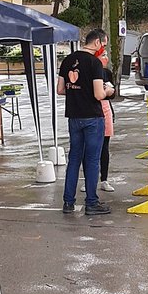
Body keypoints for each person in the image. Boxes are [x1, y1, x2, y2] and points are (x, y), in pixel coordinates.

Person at [57, 28, 113, 216]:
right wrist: (108, 91)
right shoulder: (95, 63)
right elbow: (98, 94)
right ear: (97, 42)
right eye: (103, 45)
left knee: (74, 158)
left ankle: (68, 201)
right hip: (92, 117)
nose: (103, 48)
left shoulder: (67, 60)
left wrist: (77, 91)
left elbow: (60, 89)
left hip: (74, 116)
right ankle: (91, 202)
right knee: (91, 160)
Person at [98, 52, 115, 192]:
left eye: (106, 55)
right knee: (90, 148)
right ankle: (89, 179)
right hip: (90, 111)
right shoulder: (89, 71)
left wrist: (108, 90)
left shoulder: (107, 73)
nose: (106, 58)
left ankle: (104, 179)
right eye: (103, 55)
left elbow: (113, 92)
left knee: (104, 147)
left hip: (105, 109)